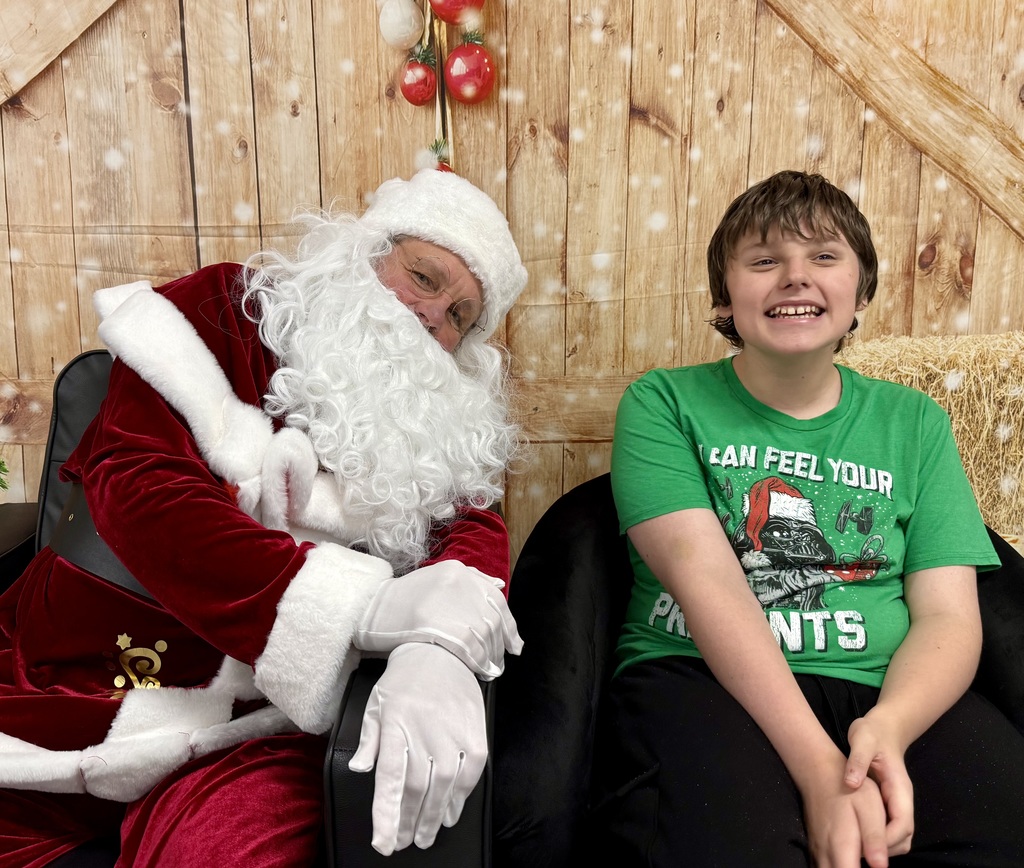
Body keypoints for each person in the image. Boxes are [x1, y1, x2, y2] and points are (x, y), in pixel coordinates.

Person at [0, 168, 528, 866]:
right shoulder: (225, 309)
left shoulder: (435, 422)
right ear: (366, 252)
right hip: (61, 676)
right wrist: (366, 608)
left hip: (246, 725)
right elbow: (140, 491)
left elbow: (472, 533)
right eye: (424, 278)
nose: (433, 315)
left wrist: (441, 651)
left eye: (460, 315)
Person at [595, 170, 1024, 866]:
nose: (795, 277)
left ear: (860, 292)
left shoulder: (915, 422)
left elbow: (949, 615)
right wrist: (822, 772)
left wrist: (885, 731)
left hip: (885, 684)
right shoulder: (662, 402)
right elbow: (708, 582)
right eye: (764, 261)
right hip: (701, 675)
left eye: (824, 258)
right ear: (726, 296)